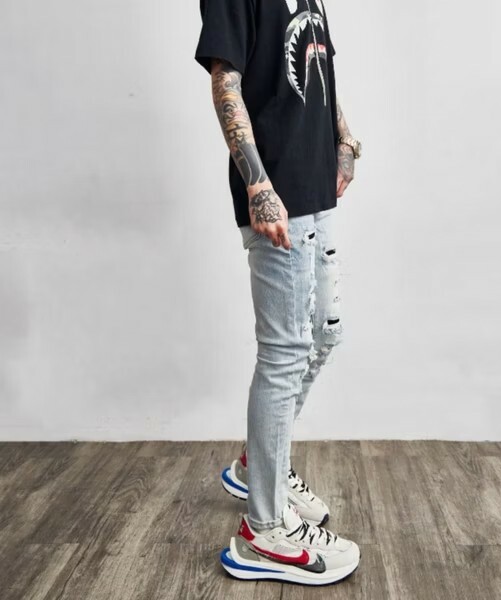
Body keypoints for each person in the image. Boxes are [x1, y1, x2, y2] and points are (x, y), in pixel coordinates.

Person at [195, 0, 363, 586]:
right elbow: (226, 82)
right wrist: (258, 184)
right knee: (285, 353)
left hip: (317, 189)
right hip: (278, 200)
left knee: (324, 336)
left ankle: (256, 466)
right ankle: (262, 532)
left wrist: (345, 137)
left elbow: (318, 70)